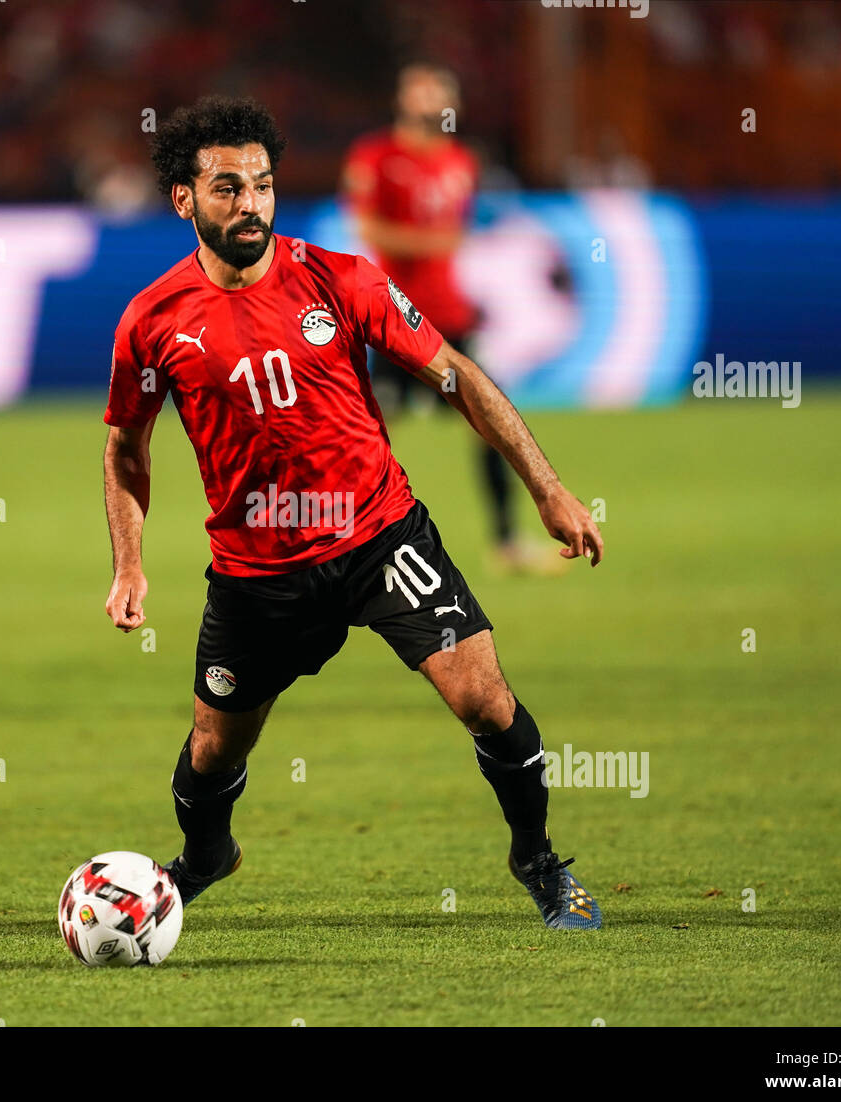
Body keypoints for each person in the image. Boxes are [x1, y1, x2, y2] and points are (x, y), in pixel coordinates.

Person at [102, 96, 605, 930]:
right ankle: (204, 860)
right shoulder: (153, 321)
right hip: (257, 575)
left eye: (262, 184)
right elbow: (126, 448)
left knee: (485, 699)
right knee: (213, 749)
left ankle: (538, 860)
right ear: (184, 200)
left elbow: (458, 375)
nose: (251, 203)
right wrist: (128, 562)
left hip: (380, 538)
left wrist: (547, 488)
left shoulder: (341, 280)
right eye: (227, 188)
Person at [342, 63, 562, 574]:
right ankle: (339, 547)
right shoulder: (375, 157)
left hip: (449, 322)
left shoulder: (461, 162)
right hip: (390, 319)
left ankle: (508, 544)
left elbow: (453, 239)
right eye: (425, 95)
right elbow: (369, 229)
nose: (435, 106)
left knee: (490, 422)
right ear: (404, 100)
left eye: (442, 96)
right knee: (362, 439)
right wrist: (435, 242)